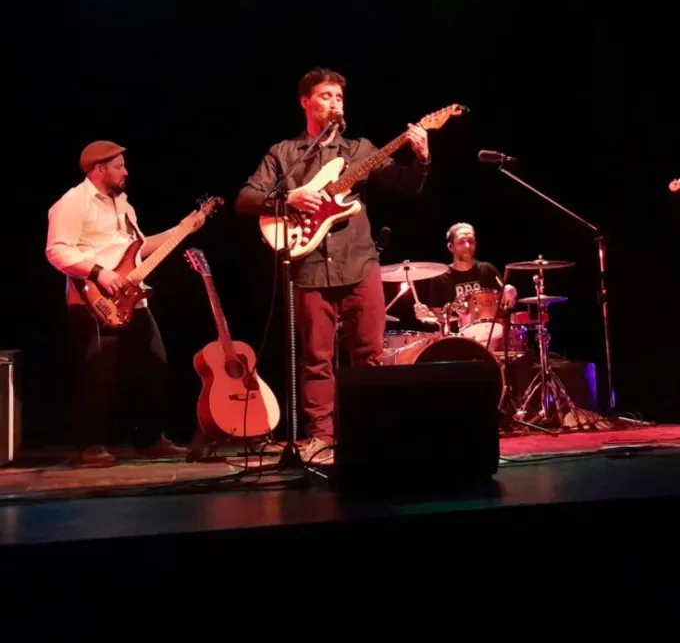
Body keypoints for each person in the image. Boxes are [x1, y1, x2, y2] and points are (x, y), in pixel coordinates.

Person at [235, 67, 431, 465]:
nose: (334, 103)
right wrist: (290, 198)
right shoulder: (284, 154)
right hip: (308, 266)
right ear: (305, 102)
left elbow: (404, 184)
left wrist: (422, 157)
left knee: (369, 355)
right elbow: (245, 200)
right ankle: (320, 438)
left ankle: (373, 432)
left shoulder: (359, 150)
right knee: (315, 359)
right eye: (325, 96)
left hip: (359, 261)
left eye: (339, 98)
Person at [45, 140, 202, 466]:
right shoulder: (73, 203)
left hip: (132, 298)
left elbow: (139, 249)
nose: (125, 171)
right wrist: (99, 272)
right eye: (119, 166)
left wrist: (182, 229)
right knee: (99, 374)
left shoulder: (124, 206)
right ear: (98, 169)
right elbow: (57, 251)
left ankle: (150, 440)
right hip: (94, 302)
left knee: (154, 366)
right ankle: (89, 445)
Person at [413, 222, 517, 327]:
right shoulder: (441, 277)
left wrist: (511, 296)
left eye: (471, 241)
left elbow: (505, 304)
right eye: (461, 242)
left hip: (489, 333)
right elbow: (438, 316)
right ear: (450, 246)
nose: (467, 246)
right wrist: (425, 315)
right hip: (457, 339)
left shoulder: (487, 269)